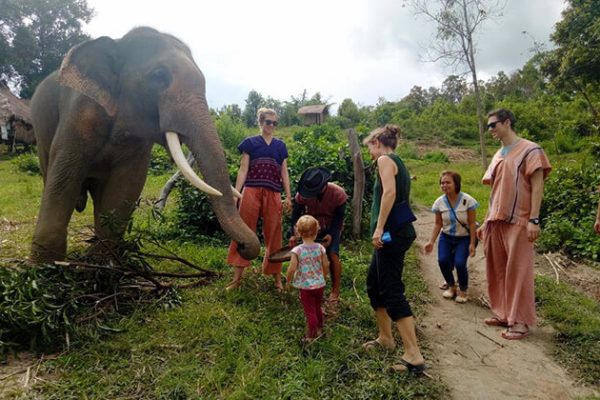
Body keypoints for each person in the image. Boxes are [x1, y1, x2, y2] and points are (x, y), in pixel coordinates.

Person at [478, 108, 551, 340]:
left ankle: (520, 321)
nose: (490, 130)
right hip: (495, 219)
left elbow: (537, 186)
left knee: (518, 270)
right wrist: (484, 220)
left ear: (507, 122)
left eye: (493, 125)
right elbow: (495, 189)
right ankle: (503, 313)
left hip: (519, 219)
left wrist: (534, 219)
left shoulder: (531, 150)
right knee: (497, 269)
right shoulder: (498, 154)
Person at [361, 124, 426, 374]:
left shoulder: (385, 160)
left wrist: (378, 229)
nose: (371, 154)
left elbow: (389, 194)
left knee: (391, 289)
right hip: (393, 234)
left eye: (370, 149)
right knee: (374, 284)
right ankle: (385, 338)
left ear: (377, 143)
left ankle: (414, 355)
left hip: (391, 235)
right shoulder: (398, 161)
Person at [226, 108, 292, 291]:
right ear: (261, 122)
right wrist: (235, 194)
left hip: (274, 192)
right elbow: (243, 169)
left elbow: (284, 172)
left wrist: (288, 196)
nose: (271, 125)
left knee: (274, 234)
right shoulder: (250, 143)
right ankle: (236, 279)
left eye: (274, 122)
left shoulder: (280, 146)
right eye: (268, 122)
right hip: (251, 190)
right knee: (244, 232)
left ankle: (277, 278)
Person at [289, 167, 347, 303]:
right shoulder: (301, 196)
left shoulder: (338, 194)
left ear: (324, 185)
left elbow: (339, 219)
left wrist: (331, 235)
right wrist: (294, 233)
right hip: (310, 225)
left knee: (332, 255)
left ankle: (335, 291)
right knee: (304, 254)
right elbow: (295, 215)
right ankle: (306, 287)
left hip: (331, 226)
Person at [424, 171, 479, 303]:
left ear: (456, 184)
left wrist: (472, 243)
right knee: (443, 261)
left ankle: (463, 290)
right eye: (442, 183)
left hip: (464, 238)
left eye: (448, 182)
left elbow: (472, 224)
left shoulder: (468, 201)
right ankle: (452, 286)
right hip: (447, 237)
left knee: (460, 263)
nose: (444, 185)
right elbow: (438, 224)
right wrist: (431, 242)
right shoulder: (439, 203)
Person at [286, 215, 330, 342]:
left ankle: (311, 336)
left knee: (310, 311)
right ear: (317, 231)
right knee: (317, 307)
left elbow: (292, 268)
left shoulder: (297, 250)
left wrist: (288, 281)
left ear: (298, 232)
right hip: (320, 284)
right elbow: (326, 264)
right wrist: (324, 276)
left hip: (306, 287)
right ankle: (320, 328)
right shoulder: (320, 248)